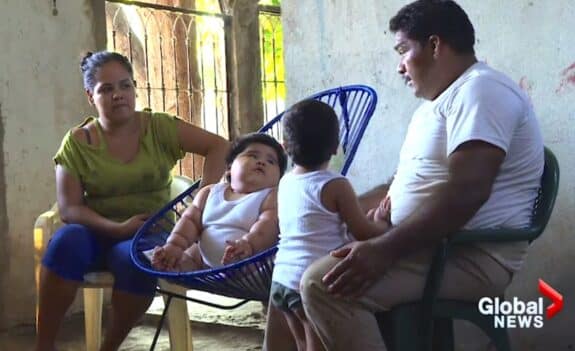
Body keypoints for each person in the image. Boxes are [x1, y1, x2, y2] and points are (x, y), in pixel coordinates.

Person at [297, 1, 545, 350]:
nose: (399, 66)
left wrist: (383, 250)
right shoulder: (435, 106)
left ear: (434, 45)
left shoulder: (482, 91)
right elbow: (395, 187)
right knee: (304, 265)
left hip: (468, 256)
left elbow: (467, 191)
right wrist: (332, 210)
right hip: (427, 248)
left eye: (403, 50)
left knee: (323, 285)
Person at [35, 51, 230, 351]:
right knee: (64, 243)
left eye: (125, 86)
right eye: (106, 89)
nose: (118, 95)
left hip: (149, 231)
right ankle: (43, 346)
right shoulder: (77, 143)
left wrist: (201, 205)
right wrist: (116, 228)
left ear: (135, 88)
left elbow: (218, 146)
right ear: (90, 96)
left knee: (136, 260)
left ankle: (108, 347)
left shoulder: (159, 127)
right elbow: (70, 208)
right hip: (95, 231)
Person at [269, 100, 391, 351]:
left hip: (282, 279)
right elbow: (363, 232)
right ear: (335, 147)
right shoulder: (335, 185)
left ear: (285, 148)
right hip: (308, 280)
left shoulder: (286, 183)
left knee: (302, 344)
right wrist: (382, 222)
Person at [151, 132, 287, 272]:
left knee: (266, 261)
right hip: (205, 262)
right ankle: (172, 263)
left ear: (279, 178)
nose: (261, 162)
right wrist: (175, 245)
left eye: (271, 161)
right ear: (229, 168)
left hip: (250, 263)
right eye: (252, 155)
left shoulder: (271, 196)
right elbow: (189, 221)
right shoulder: (210, 192)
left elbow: (268, 225)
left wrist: (249, 244)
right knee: (190, 254)